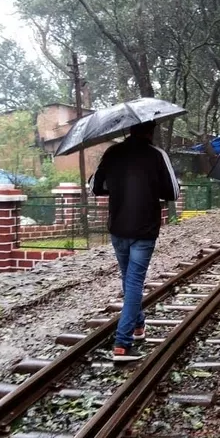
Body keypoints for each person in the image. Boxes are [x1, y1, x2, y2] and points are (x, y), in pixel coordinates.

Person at [90, 121, 180, 359]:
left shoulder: (112, 153)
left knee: (129, 279)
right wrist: (150, 188)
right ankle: (122, 341)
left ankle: (139, 325)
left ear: (130, 131)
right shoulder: (157, 154)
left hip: (118, 227)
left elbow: (95, 187)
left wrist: (119, 188)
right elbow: (173, 192)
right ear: (150, 132)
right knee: (134, 282)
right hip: (144, 229)